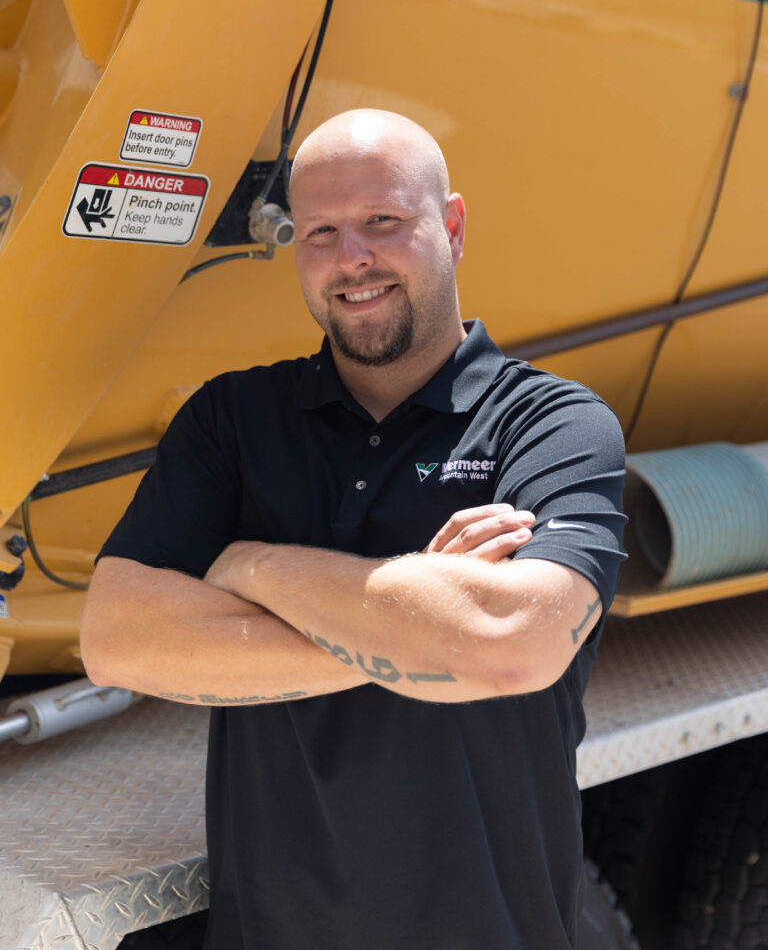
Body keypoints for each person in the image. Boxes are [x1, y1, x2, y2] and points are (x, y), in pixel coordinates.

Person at [81, 109, 626, 950]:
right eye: (320, 231)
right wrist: (423, 633)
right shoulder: (234, 420)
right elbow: (117, 640)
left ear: (451, 225)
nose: (352, 259)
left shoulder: (550, 425)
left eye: (383, 221)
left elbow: (511, 641)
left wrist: (251, 567)